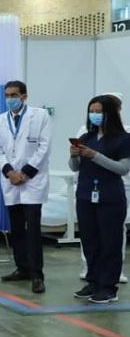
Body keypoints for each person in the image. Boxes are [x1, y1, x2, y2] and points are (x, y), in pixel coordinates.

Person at [0, 80, 51, 294]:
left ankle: (37, 275)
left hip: (32, 180)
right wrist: (9, 172)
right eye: (7, 95)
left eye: (14, 95)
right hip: (10, 181)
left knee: (33, 228)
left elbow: (44, 147)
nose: (10, 99)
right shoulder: (0, 120)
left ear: (24, 96)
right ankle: (22, 268)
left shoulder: (40, 116)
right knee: (16, 227)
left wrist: (25, 173)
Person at [70, 94, 130, 304]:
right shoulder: (87, 137)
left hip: (110, 197)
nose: (94, 115)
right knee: (90, 240)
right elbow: (75, 167)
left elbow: (122, 168)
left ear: (110, 114)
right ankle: (93, 280)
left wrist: (95, 156)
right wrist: (75, 155)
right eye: (91, 111)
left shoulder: (123, 139)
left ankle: (108, 285)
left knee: (110, 241)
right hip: (86, 195)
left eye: (99, 112)